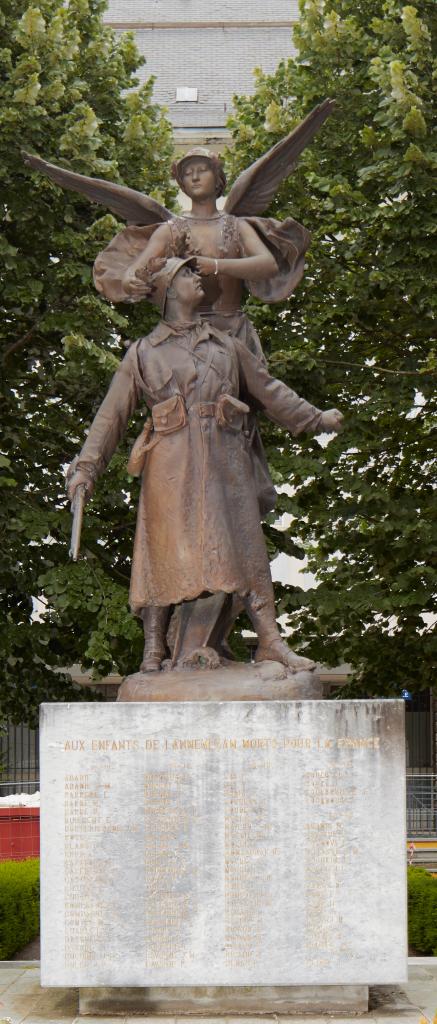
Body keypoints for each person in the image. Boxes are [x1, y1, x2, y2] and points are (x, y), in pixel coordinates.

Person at [67, 257, 343, 673]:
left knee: (244, 547)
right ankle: (154, 648)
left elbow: (267, 389)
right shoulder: (143, 353)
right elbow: (111, 418)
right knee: (163, 548)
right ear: (167, 290)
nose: (198, 277)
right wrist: (86, 468)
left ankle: (270, 639)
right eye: (186, 273)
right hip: (169, 463)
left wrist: (314, 418)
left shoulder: (226, 345)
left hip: (224, 460)